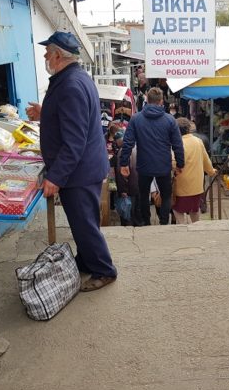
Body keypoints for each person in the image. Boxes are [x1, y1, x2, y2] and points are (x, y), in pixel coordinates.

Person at [25, 31, 118, 291]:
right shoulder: (72, 78)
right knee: (81, 223)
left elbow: (74, 141)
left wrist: (56, 177)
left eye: (47, 52)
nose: (45, 56)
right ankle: (87, 261)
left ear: (57, 55)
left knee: (84, 224)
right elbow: (76, 118)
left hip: (80, 172)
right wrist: (46, 113)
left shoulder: (70, 85)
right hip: (82, 169)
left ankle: (104, 270)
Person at [120, 87, 185, 225]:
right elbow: (178, 145)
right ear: (161, 101)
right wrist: (180, 164)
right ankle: (163, 223)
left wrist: (124, 163)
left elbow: (128, 143)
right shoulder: (170, 120)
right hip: (163, 165)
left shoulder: (136, 119)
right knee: (166, 195)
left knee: (144, 195)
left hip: (144, 165)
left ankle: (146, 222)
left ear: (147, 100)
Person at [172, 117, 217, 224]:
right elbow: (206, 160)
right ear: (188, 129)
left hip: (181, 185)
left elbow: (173, 162)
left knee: (177, 209)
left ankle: (182, 227)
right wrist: (211, 171)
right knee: (195, 209)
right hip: (196, 185)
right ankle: (196, 227)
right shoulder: (198, 141)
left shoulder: (176, 143)